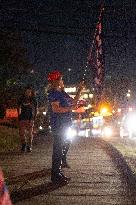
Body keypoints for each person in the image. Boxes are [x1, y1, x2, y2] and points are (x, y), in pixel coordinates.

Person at [47, 70, 84, 184]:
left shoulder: (62, 93)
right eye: (60, 79)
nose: (62, 81)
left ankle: (58, 172)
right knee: (58, 150)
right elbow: (55, 109)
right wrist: (70, 109)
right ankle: (55, 176)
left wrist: (79, 90)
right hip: (59, 125)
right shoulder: (54, 93)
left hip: (65, 125)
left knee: (62, 148)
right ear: (55, 81)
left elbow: (73, 102)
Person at [17, 86, 37, 152]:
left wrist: (34, 118)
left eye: (29, 92)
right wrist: (19, 116)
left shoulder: (33, 100)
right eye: (26, 92)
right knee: (21, 133)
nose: (27, 93)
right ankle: (23, 144)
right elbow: (18, 108)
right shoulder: (21, 99)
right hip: (22, 118)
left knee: (30, 133)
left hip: (30, 118)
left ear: (31, 93)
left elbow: (35, 109)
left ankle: (29, 146)